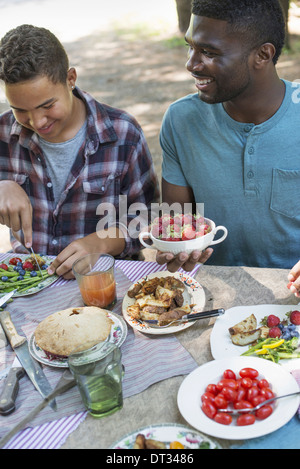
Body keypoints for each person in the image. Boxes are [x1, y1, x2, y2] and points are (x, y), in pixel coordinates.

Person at [0, 24, 159, 278]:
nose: (37, 122)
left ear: (70, 79)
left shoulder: (123, 134)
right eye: (20, 110)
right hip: (28, 283)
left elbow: (148, 218)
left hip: (109, 281)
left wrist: (99, 243)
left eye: (47, 105)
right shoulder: (3, 134)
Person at [157, 0, 300, 277]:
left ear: (262, 55)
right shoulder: (180, 121)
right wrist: (176, 247)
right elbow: (177, 221)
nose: (191, 64)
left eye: (209, 52)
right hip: (211, 295)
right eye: (191, 47)